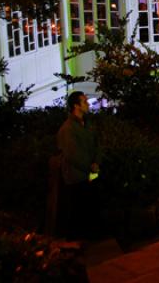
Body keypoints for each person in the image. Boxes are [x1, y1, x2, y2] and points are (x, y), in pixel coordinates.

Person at [57, 91, 101, 239]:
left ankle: (91, 236)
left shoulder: (87, 124)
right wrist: (91, 167)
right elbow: (72, 154)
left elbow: (96, 145)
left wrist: (96, 163)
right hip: (77, 177)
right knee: (79, 209)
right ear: (76, 106)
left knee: (90, 206)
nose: (88, 104)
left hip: (88, 173)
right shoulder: (68, 129)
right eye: (84, 102)